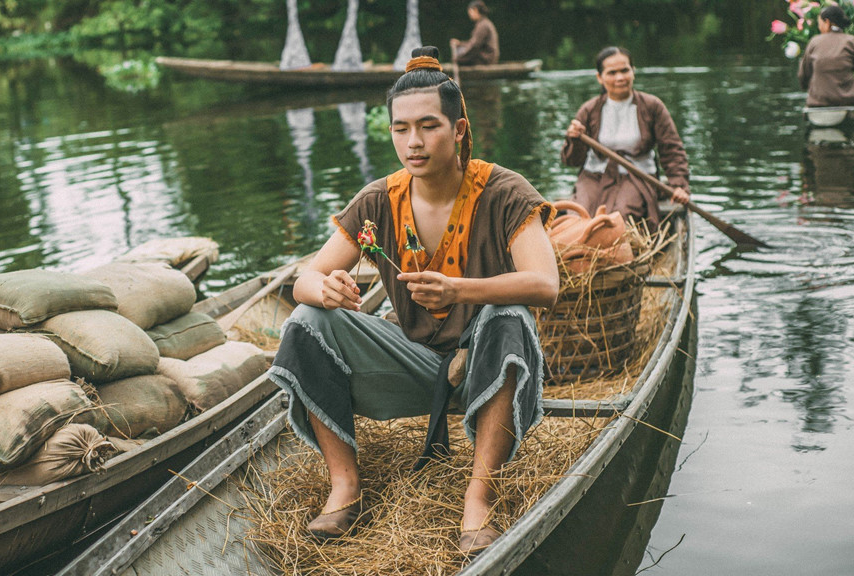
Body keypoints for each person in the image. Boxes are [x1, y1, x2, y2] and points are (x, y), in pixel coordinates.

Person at [268, 46, 558, 556]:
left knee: (507, 314)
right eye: (401, 129)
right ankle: (345, 486)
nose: (414, 142)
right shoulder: (378, 200)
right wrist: (326, 288)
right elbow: (302, 281)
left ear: (460, 129)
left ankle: (479, 495)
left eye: (429, 126)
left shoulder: (505, 192)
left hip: (483, 366)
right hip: (414, 360)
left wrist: (460, 289)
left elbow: (545, 283)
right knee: (307, 318)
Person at [563, 47, 691, 232]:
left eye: (625, 70)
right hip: (594, 177)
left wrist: (679, 185)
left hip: (637, 177)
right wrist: (574, 140)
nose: (620, 78)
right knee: (578, 218)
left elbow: (672, 150)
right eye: (612, 73)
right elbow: (571, 160)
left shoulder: (652, 106)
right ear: (600, 77)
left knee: (621, 217)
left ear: (633, 71)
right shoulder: (589, 110)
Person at [798, 5, 854, 107]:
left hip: (817, 105)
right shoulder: (851, 41)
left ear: (827, 22)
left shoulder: (814, 42)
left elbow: (803, 76)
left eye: (820, 24)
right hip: (847, 104)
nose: (819, 28)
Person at [449, 1, 499, 66]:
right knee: (460, 50)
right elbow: (473, 43)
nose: (469, 15)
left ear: (475, 10)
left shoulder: (483, 25)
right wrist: (460, 44)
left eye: (470, 12)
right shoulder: (484, 23)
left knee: (459, 55)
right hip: (486, 57)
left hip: (486, 59)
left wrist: (459, 58)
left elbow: (474, 46)